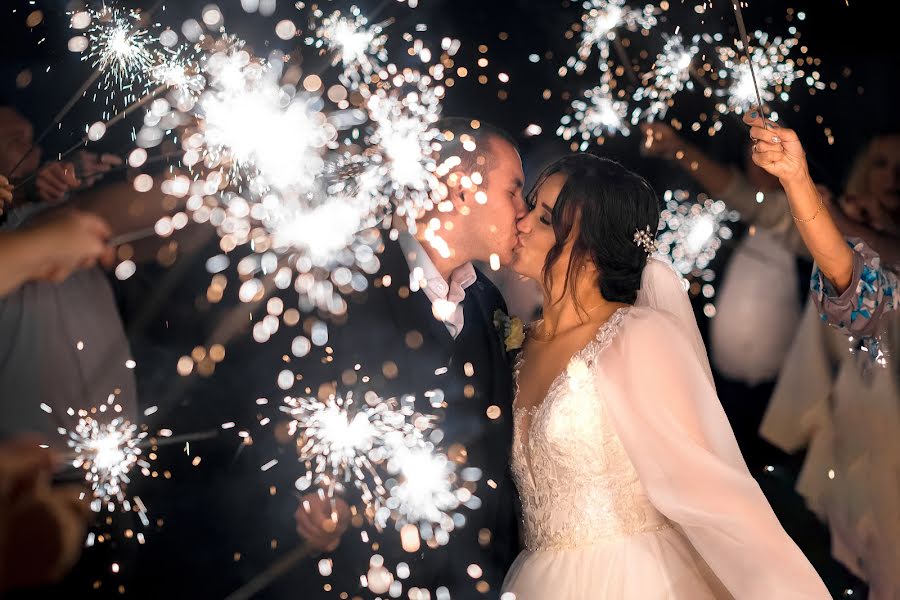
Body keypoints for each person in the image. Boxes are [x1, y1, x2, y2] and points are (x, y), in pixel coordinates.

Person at [500, 153, 828, 598]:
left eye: (543, 218)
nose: (521, 221)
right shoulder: (520, 347)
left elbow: (715, 492)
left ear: (592, 246)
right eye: (532, 207)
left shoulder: (637, 338)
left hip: (633, 579)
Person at [243, 118, 527, 600]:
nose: (523, 212)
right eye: (514, 192)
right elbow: (285, 411)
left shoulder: (490, 305)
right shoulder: (347, 285)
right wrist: (313, 501)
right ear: (461, 190)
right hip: (366, 578)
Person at [746, 115, 900, 598]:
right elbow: (851, 280)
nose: (892, 176)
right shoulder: (867, 263)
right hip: (872, 456)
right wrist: (797, 183)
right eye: (881, 164)